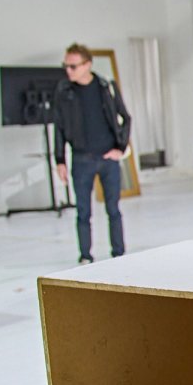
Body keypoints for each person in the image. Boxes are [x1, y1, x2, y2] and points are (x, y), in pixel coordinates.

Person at [53, 43, 130, 264]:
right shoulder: (64, 91)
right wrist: (60, 160)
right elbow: (58, 126)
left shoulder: (106, 86)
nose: (68, 70)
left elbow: (126, 117)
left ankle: (119, 254)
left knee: (113, 209)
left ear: (87, 65)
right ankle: (85, 256)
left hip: (108, 159)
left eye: (73, 66)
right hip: (81, 159)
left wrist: (121, 148)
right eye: (66, 66)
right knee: (83, 211)